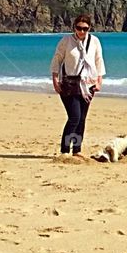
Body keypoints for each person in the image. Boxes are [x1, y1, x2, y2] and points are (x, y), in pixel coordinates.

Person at [50, 14, 105, 156]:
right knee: (74, 117)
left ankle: (77, 150)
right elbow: (57, 60)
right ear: (74, 27)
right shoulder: (66, 41)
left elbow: (99, 62)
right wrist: (55, 79)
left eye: (85, 29)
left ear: (89, 28)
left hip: (88, 85)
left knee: (82, 119)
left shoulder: (94, 41)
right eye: (79, 28)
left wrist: (99, 82)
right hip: (69, 84)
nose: (81, 31)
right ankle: (64, 150)